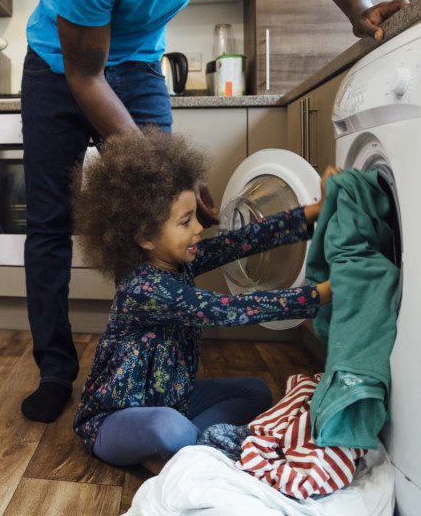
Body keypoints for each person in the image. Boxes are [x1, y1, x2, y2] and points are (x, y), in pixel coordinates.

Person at [19, 0, 405, 424]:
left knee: (168, 222)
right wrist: (168, 171)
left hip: (140, 63)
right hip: (63, 68)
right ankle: (55, 371)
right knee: (51, 222)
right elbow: (86, 75)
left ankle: (149, 366)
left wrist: (360, 9)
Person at [71, 129, 334, 472]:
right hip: (113, 420)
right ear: (145, 237)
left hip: (175, 401)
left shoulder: (179, 260)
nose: (198, 228)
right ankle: (191, 450)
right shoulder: (143, 287)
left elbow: (240, 241)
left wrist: (314, 212)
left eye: (194, 216)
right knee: (168, 428)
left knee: (255, 392)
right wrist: (321, 295)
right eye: (185, 222)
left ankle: (185, 453)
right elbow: (228, 311)